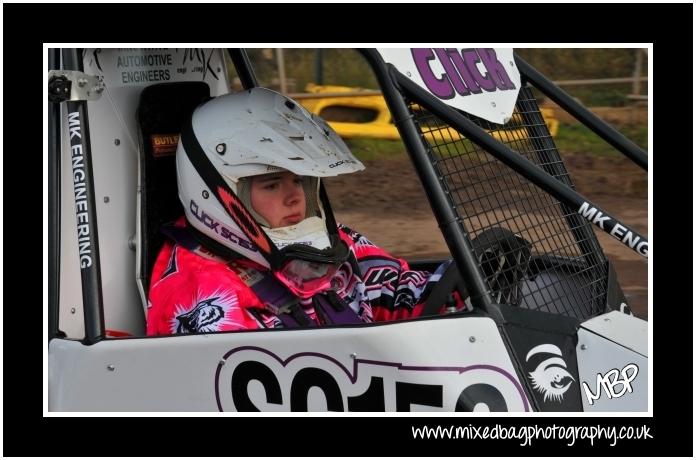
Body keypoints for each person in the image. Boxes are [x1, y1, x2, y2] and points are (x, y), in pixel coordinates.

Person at [146, 87, 466, 335]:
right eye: (272, 185)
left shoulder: (330, 243)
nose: (295, 197)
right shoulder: (206, 298)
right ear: (218, 196)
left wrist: (469, 287)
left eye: (299, 180)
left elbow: (399, 292)